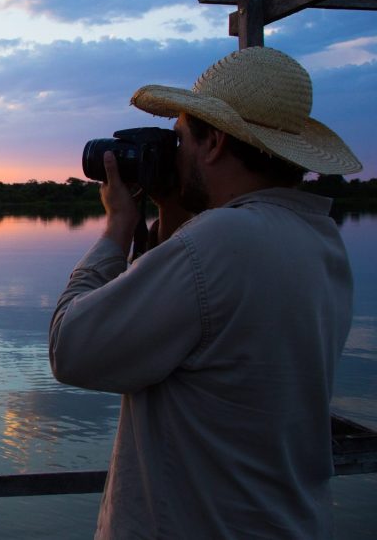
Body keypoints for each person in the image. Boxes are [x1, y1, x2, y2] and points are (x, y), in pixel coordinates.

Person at [49, 46, 361, 539]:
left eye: (179, 139)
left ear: (213, 143)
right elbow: (195, 328)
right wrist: (172, 213)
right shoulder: (318, 240)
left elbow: (72, 348)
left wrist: (116, 230)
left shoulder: (220, 243)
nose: (174, 155)